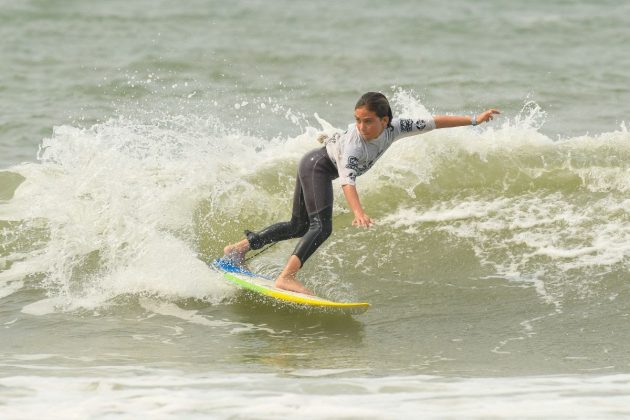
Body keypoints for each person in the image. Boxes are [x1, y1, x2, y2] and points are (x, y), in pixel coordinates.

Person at [223, 92, 500, 295]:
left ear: (385, 120)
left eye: (368, 121)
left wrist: (475, 119)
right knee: (321, 228)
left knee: (298, 226)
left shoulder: (397, 127)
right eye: (357, 120)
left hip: (314, 164)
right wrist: (358, 212)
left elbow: (434, 121)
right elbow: (347, 181)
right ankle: (287, 277)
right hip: (317, 167)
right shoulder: (356, 146)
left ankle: (238, 250)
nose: (361, 127)